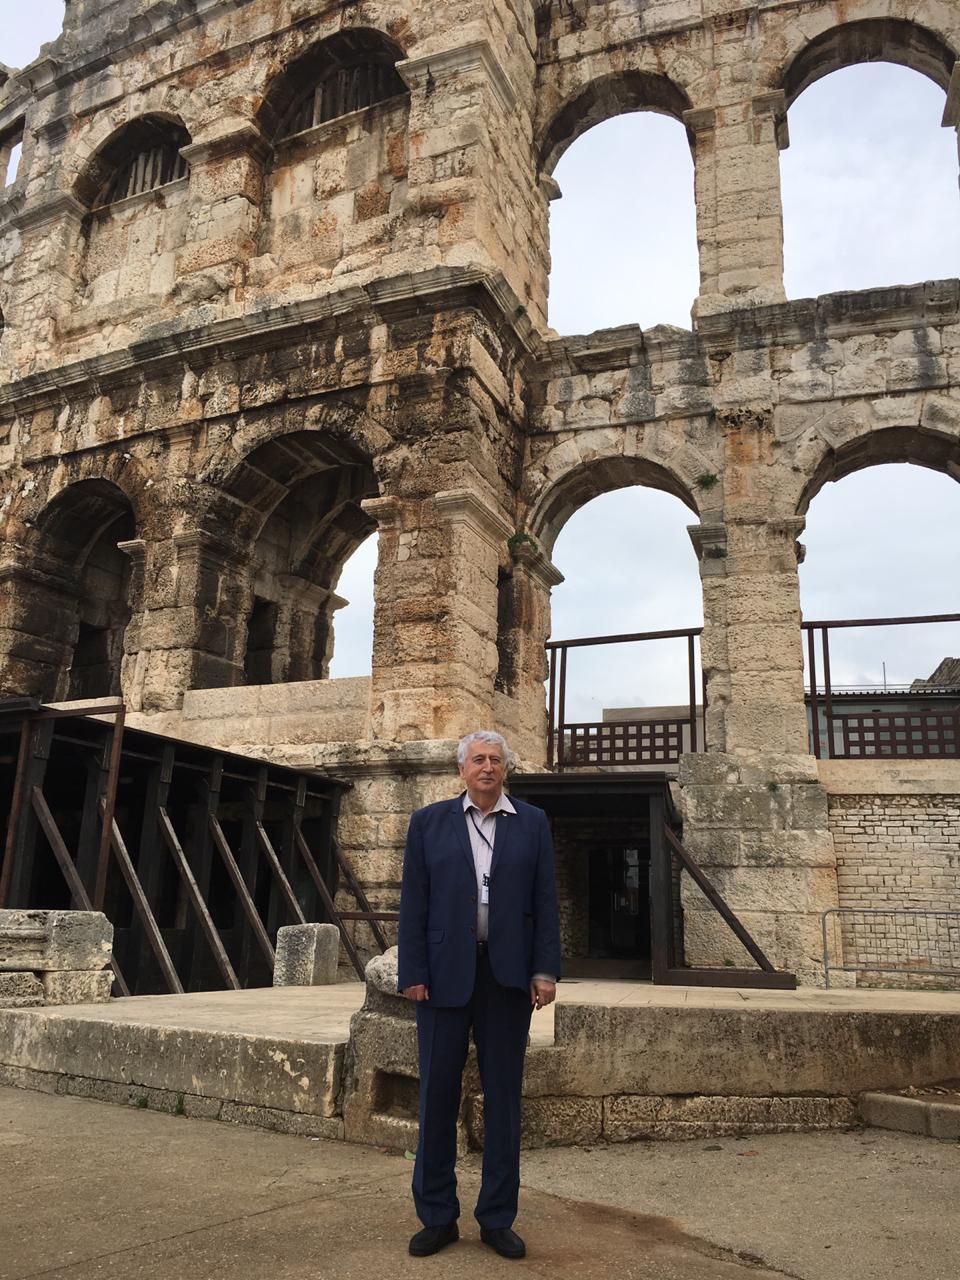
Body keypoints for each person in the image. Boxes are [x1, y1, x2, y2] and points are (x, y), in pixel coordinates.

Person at [397, 730, 561, 1260]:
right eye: (478, 760)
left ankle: (496, 1218)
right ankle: (437, 1216)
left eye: (495, 759)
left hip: (506, 977)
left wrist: (545, 970)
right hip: (443, 976)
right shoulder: (428, 823)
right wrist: (412, 970)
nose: (487, 767)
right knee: (436, 1097)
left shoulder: (531, 822)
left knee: (504, 1101)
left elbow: (545, 900)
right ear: (461, 770)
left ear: (506, 769)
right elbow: (414, 903)